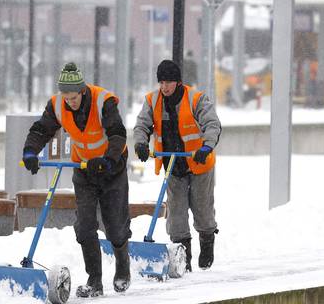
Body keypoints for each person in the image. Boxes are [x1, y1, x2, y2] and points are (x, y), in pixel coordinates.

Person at [22, 62, 131, 297]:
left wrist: (108, 160)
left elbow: (118, 134)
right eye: (66, 97)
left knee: (114, 226)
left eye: (73, 97)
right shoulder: (57, 105)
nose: (69, 102)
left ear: (83, 91)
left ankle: (123, 264)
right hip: (83, 170)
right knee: (84, 226)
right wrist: (30, 151)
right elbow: (42, 130)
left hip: (112, 168)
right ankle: (95, 281)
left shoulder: (104, 102)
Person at [133, 59, 221, 272]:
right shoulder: (153, 101)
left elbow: (212, 124)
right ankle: (184, 257)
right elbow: (142, 125)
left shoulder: (196, 99)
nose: (164, 87)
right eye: (161, 82)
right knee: (176, 212)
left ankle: (207, 242)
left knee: (202, 208)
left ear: (178, 82)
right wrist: (141, 143)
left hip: (199, 162)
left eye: (169, 82)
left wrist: (206, 146)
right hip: (172, 164)